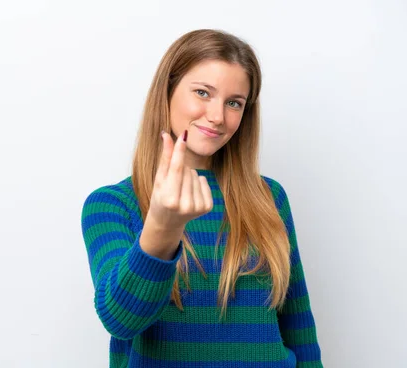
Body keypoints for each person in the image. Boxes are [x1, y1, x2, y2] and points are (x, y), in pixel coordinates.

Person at [80, 28, 323, 368]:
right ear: (167, 92)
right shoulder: (112, 204)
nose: (217, 116)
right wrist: (162, 228)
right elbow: (121, 321)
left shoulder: (269, 197)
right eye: (202, 93)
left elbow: (298, 327)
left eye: (234, 103)